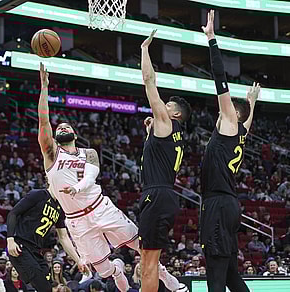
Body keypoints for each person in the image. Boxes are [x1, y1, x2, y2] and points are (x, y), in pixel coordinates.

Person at [37, 62, 170, 291]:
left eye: (68, 125)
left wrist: (77, 188)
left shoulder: (88, 153)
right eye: (60, 126)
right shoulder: (51, 154)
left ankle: (170, 281)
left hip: (100, 208)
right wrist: (44, 86)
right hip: (76, 220)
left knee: (143, 245)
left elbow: (90, 178)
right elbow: (43, 120)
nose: (63, 126)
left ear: (75, 135)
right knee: (104, 271)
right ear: (57, 137)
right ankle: (118, 269)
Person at [199, 10, 260, 292]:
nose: (220, 111)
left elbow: (219, 79)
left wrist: (211, 39)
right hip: (227, 204)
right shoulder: (238, 134)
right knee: (231, 275)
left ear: (232, 113)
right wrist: (253, 104)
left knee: (215, 273)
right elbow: (246, 123)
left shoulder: (229, 123)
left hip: (219, 205)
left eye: (226, 110)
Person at [138, 30, 192, 292]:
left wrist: (144, 49)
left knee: (147, 263)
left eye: (168, 106)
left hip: (156, 194)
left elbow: (149, 81)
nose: (162, 107)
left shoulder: (167, 123)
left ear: (176, 113)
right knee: (147, 262)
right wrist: (150, 131)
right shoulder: (173, 134)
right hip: (164, 193)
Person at [6, 188, 87, 292]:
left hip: (36, 251)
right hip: (20, 246)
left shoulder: (60, 207)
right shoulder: (38, 194)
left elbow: (63, 237)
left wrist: (78, 260)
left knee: (49, 285)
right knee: (44, 287)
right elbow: (13, 213)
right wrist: (10, 240)